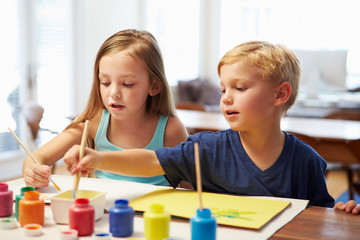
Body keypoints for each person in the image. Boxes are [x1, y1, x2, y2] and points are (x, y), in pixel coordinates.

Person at [64, 41, 360, 214]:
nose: (226, 97)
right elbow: (151, 160)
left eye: (240, 88)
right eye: (222, 90)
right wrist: (100, 158)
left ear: (280, 94)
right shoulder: (204, 148)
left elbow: (320, 215)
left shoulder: (306, 161)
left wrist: (340, 212)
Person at [22, 29, 188, 187]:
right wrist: (32, 171)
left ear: (154, 86)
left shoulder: (170, 130)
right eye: (106, 83)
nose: (114, 93)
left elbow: (192, 187)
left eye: (127, 84)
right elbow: (36, 157)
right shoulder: (94, 123)